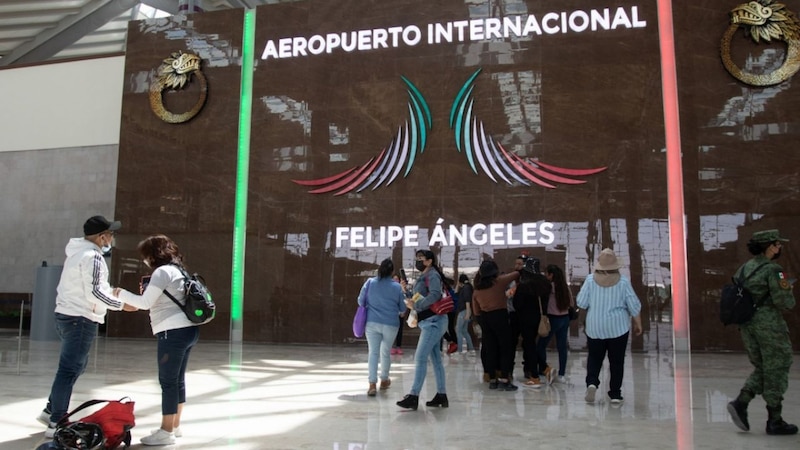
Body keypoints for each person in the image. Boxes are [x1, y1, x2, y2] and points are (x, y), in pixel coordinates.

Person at [37, 215, 130, 438]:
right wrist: (121, 304)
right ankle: (57, 420)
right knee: (69, 369)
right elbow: (95, 293)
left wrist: (110, 293)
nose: (112, 237)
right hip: (81, 319)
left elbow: (91, 288)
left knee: (74, 366)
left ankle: (51, 409)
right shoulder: (93, 257)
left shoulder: (77, 253)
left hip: (67, 315)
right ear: (101, 237)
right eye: (110, 234)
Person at [114, 235, 200, 445]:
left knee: (168, 382)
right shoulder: (179, 270)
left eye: (145, 255)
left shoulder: (162, 272)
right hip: (188, 330)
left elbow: (144, 303)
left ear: (152, 255)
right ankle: (175, 425)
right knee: (177, 380)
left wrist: (120, 293)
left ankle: (166, 431)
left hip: (172, 332)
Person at [726, 230, 797, 435]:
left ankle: (742, 402)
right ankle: (775, 420)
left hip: (747, 326)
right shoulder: (774, 270)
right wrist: (789, 291)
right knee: (778, 365)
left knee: (764, 367)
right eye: (777, 244)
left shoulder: (744, 268)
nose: (779, 247)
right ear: (770, 246)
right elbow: (784, 301)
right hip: (769, 326)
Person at [576, 248, 642, 404]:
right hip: (617, 328)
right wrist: (638, 323)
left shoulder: (590, 280)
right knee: (617, 361)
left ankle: (592, 383)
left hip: (595, 327)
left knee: (594, 357)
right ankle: (615, 394)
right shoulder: (623, 281)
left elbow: (581, 302)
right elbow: (633, 304)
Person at [396, 250, 450, 410]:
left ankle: (413, 396)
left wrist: (417, 305)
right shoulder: (425, 276)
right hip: (430, 321)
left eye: (421, 259)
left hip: (434, 322)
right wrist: (406, 290)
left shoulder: (432, 275)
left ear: (430, 261)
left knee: (420, 358)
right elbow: (417, 296)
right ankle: (441, 395)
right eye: (417, 258)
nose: (418, 262)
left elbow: (435, 295)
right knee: (436, 360)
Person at [356, 259, 406, 396]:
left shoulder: (370, 283)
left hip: (372, 323)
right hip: (391, 324)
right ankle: (384, 380)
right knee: (385, 352)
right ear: (392, 272)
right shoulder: (396, 287)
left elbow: (360, 301)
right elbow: (402, 308)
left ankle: (372, 384)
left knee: (373, 353)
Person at [472, 259, 520, 391]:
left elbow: (476, 310)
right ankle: (504, 379)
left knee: (490, 349)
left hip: (484, 319)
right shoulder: (499, 282)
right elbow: (516, 274)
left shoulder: (477, 290)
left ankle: (492, 379)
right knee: (505, 348)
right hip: (500, 316)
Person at [512, 258, 551, 388]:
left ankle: (535, 376)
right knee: (530, 345)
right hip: (540, 318)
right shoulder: (545, 283)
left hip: (526, 319)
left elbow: (517, 304)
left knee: (529, 346)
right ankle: (544, 368)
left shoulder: (524, 284)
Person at [537, 264, 574, 384]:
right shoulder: (564, 287)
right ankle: (562, 373)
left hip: (553, 319)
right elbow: (571, 303)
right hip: (565, 319)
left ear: (551, 275)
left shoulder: (549, 287)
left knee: (541, 346)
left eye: (546, 273)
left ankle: (544, 369)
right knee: (562, 347)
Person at [455, 274, 475, 354]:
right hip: (465, 311)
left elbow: (467, 301)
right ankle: (471, 349)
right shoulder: (467, 287)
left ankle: (459, 350)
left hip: (463, 311)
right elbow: (456, 292)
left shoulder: (466, 288)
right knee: (464, 331)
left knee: (458, 330)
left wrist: (467, 312)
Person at [391, 274, 407, 355]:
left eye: (397, 279)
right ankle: (392, 346)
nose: (395, 280)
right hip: (392, 313)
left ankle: (398, 346)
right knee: (391, 330)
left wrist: (403, 311)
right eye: (394, 279)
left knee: (399, 330)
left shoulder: (402, 289)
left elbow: (405, 299)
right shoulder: (390, 289)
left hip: (400, 313)